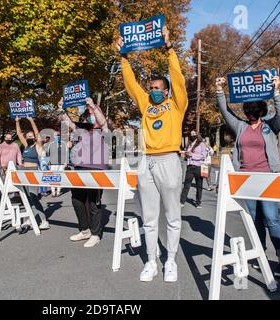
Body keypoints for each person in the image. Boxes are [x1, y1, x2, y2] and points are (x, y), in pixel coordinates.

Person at [117, 25, 188, 282]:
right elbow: (131, 84)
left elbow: (177, 77)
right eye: (151, 87)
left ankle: (170, 261)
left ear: (166, 90)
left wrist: (169, 48)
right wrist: (123, 57)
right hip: (146, 161)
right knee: (149, 218)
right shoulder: (146, 103)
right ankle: (151, 261)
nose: (153, 90)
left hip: (169, 159)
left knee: (172, 216)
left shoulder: (177, 103)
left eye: (158, 87)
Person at [216, 75, 280, 278]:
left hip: (267, 178)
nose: (251, 114)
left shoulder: (269, 126)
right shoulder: (241, 126)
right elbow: (225, 112)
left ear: (261, 110)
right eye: (248, 110)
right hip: (246, 180)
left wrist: (276, 91)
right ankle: (261, 253)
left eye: (254, 110)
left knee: (272, 219)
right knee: (255, 220)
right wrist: (220, 91)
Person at [57, 97, 109, 248]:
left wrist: (93, 106)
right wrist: (61, 109)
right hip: (79, 167)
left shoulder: (103, 130)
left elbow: (103, 122)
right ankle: (85, 229)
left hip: (96, 168)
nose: (89, 117)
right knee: (77, 200)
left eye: (91, 114)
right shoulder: (82, 131)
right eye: (87, 115)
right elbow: (69, 123)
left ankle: (95, 234)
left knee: (94, 202)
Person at [15, 116, 50, 230]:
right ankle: (29, 219)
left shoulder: (38, 145)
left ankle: (44, 220)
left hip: (33, 171)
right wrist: (17, 121)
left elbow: (36, 132)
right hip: (24, 172)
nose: (30, 138)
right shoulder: (26, 145)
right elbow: (19, 134)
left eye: (31, 136)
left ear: (34, 138)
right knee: (26, 197)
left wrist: (31, 120)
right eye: (28, 136)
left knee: (34, 197)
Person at [180, 131, 207, 208]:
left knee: (199, 186)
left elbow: (203, 156)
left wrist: (192, 155)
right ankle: (182, 201)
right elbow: (188, 154)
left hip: (198, 166)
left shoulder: (202, 144)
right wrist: (185, 154)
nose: (192, 136)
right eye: (191, 134)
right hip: (190, 167)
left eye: (194, 134)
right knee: (186, 185)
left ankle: (198, 203)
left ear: (197, 135)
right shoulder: (189, 144)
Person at [45, 131, 69, 197]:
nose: (57, 136)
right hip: (53, 164)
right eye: (56, 135)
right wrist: (48, 162)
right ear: (53, 136)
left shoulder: (64, 144)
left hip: (61, 164)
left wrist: (66, 162)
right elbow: (47, 154)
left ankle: (58, 191)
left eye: (58, 135)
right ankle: (53, 192)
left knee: (60, 177)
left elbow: (66, 153)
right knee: (53, 177)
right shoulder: (50, 144)